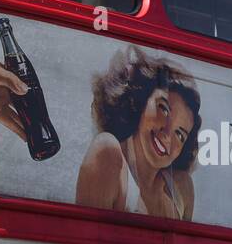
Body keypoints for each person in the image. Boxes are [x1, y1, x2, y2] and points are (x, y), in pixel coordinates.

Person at [76, 45, 201, 220]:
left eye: (180, 134)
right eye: (163, 109)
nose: (167, 134)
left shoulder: (181, 189)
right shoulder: (108, 154)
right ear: (141, 100)